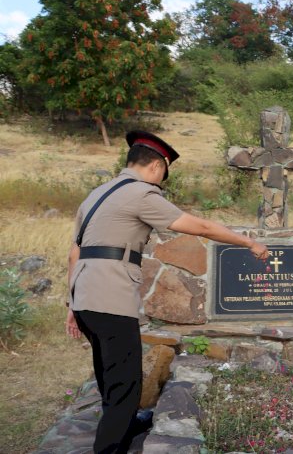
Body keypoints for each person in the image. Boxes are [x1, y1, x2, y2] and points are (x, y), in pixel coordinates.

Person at [64, 130, 269, 454]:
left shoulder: (96, 194)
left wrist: (71, 305)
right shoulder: (141, 194)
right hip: (111, 298)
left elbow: (74, 253)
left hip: (86, 296)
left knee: (107, 368)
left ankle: (126, 423)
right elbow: (199, 226)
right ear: (157, 167)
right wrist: (249, 242)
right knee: (125, 381)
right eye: (162, 175)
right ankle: (110, 446)